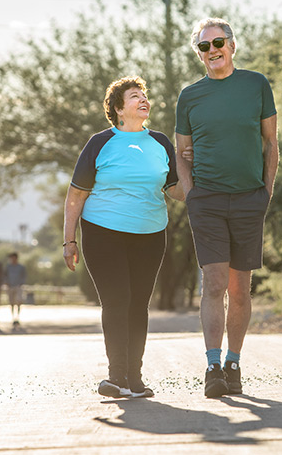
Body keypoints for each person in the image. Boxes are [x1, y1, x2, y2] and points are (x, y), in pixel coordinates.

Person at [175, 17, 278, 398]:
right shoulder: (190, 96)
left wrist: (266, 193)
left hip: (250, 199)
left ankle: (234, 362)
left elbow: (271, 143)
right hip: (208, 201)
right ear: (199, 54)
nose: (212, 50)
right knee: (214, 283)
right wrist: (192, 194)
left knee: (240, 289)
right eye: (204, 46)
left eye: (218, 43)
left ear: (232, 46)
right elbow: (181, 151)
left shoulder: (256, 85)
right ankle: (213, 366)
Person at [63, 75, 183, 399]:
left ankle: (135, 378)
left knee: (139, 305)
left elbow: (175, 189)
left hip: (150, 234)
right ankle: (116, 377)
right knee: (117, 300)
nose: (143, 100)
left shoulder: (160, 143)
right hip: (103, 232)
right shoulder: (100, 143)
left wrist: (203, 180)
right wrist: (69, 240)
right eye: (134, 96)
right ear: (118, 109)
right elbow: (76, 195)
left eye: (144, 95)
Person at [5, 252, 27, 330]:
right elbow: (5, 275)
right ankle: (13, 317)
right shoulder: (8, 267)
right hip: (10, 286)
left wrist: (21, 283)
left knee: (18, 301)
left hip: (18, 286)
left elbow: (24, 276)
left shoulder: (21, 267)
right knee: (11, 302)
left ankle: (17, 317)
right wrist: (6, 282)